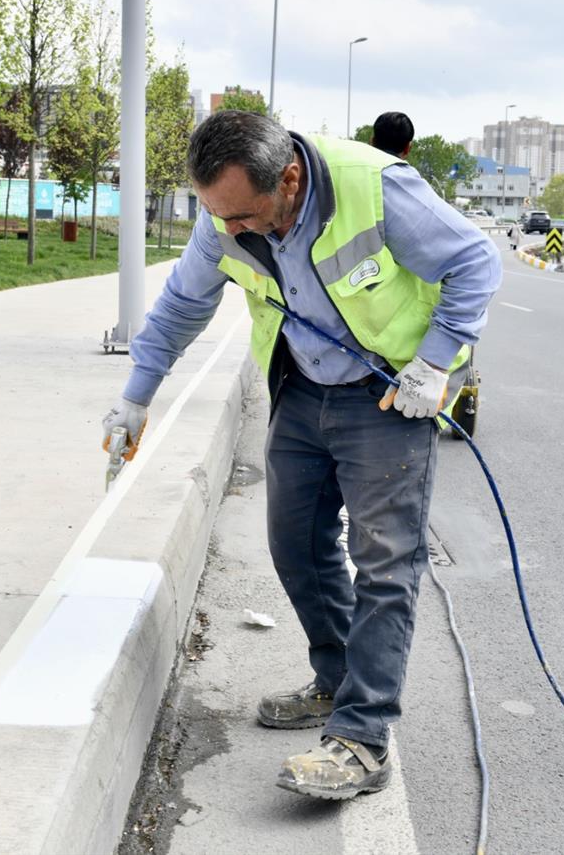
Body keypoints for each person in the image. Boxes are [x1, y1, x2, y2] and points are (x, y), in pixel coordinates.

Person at [102, 111, 501, 801]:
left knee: (385, 563)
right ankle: (337, 680)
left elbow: (475, 261)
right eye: (219, 216)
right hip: (300, 387)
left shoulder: (375, 190)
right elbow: (179, 308)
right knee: (295, 545)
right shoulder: (226, 215)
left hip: (387, 394)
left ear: (289, 178)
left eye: (246, 216)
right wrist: (136, 398)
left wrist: (435, 364)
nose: (231, 232)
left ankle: (363, 735)